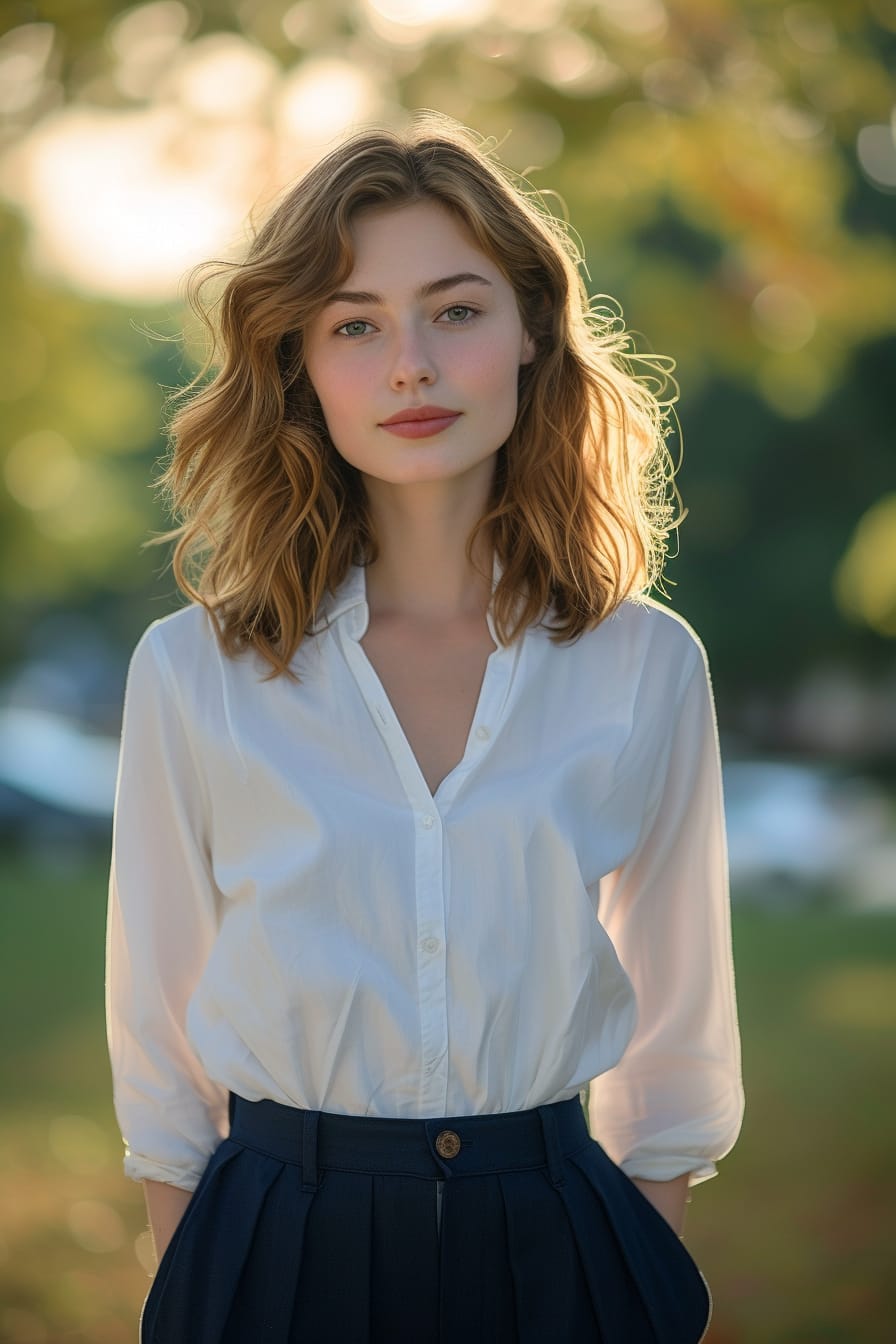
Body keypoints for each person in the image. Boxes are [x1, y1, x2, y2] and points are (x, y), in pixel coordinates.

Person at [106, 113, 744, 1344]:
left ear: (528, 336)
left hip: (564, 1238)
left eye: (454, 310)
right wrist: (197, 1277)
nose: (410, 364)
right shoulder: (195, 672)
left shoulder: (643, 664)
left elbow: (679, 1016)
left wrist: (640, 1264)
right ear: (300, 365)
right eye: (355, 325)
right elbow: (157, 1024)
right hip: (272, 1241)